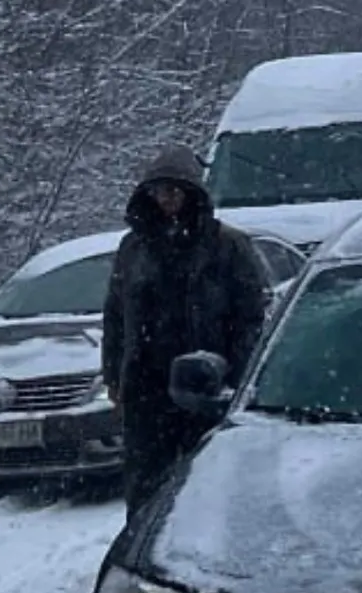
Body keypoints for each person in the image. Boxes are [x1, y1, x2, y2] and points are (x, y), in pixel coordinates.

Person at [102, 143, 269, 520]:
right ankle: (143, 553)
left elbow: (250, 317)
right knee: (146, 486)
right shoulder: (134, 248)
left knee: (207, 481)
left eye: (174, 190)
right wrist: (114, 374)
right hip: (147, 385)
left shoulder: (227, 245)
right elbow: (115, 315)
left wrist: (234, 375)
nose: (166, 200)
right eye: (158, 192)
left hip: (206, 384)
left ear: (192, 192)